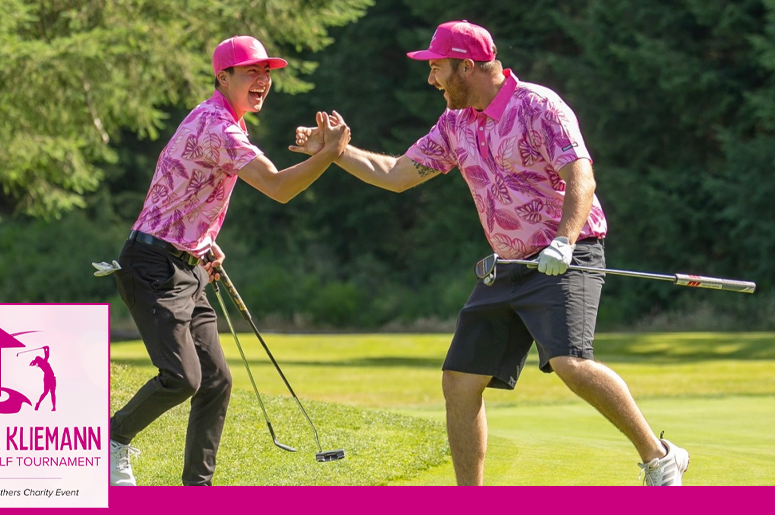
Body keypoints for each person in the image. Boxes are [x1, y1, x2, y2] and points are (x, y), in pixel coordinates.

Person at [292, 21, 688, 486]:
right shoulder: (455, 123)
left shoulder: (538, 106)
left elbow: (581, 176)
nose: (431, 80)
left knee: (571, 363)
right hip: (508, 265)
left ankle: (659, 457)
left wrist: (563, 241)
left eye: (437, 69)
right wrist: (336, 152)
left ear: (466, 67)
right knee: (460, 380)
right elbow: (397, 174)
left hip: (567, 254)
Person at [107, 35, 350, 486]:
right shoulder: (218, 126)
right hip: (152, 265)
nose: (263, 80)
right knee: (182, 378)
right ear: (223, 77)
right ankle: (113, 438)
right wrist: (331, 153)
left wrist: (202, 240)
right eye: (252, 71)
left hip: (187, 264)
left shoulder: (220, 119)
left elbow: (185, 188)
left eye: (267, 73)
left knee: (216, 380)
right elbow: (278, 187)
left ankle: (198, 490)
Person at [29, 346, 56, 411]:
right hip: (51, 378)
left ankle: (39, 403)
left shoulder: (40, 364)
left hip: (47, 378)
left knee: (45, 392)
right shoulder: (43, 362)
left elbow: (46, 356)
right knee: (52, 393)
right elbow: (47, 356)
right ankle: (53, 407)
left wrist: (46, 349)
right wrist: (46, 349)